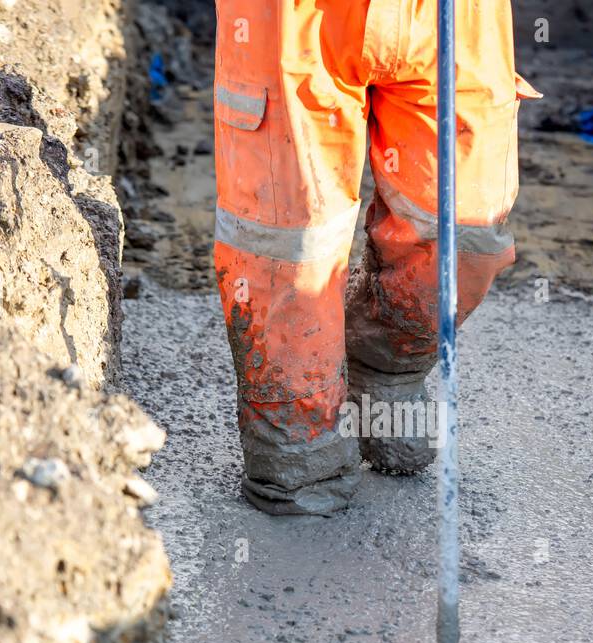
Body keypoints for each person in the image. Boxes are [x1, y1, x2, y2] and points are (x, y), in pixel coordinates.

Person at [212, 0, 540, 515]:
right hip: (296, 18)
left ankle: (385, 364)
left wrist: (393, 358)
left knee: (463, 234)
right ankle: (299, 430)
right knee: (292, 243)